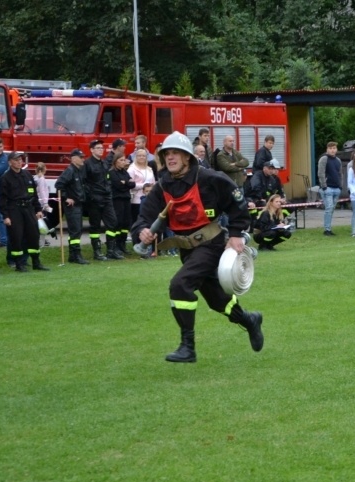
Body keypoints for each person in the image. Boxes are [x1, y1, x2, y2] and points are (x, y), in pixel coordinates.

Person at [131, 131, 263, 363]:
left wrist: (235, 234)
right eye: (167, 154)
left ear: (187, 157)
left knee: (180, 286)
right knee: (218, 301)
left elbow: (237, 203)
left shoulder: (210, 178)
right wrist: (142, 230)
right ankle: (249, 320)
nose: (170, 158)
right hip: (187, 250)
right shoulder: (163, 186)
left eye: (176, 153)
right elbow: (145, 216)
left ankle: (187, 347)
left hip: (211, 246)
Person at [0, 152, 49, 272]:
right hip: (14, 210)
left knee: (33, 236)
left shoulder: (27, 175)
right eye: (16, 160)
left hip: (29, 209)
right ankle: (19, 264)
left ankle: (36, 262)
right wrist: (5, 216)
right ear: (10, 162)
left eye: (20, 159)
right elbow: (2, 199)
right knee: (17, 237)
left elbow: (34, 194)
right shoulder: (5, 178)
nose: (19, 162)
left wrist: (38, 209)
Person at [84, 139, 121, 260]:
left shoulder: (103, 163)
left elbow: (107, 179)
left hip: (106, 198)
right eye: (98, 148)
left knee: (113, 223)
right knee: (95, 226)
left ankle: (111, 250)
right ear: (92, 150)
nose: (101, 150)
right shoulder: (87, 164)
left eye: (102, 148)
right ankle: (97, 252)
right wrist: (90, 196)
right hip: (94, 200)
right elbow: (84, 182)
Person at [55, 149, 89, 264]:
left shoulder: (78, 170)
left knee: (77, 230)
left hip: (79, 204)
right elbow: (59, 185)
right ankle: (76, 255)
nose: (83, 159)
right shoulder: (70, 171)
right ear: (74, 159)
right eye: (81, 157)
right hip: (72, 206)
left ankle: (73, 255)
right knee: (75, 230)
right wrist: (66, 198)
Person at [110, 154, 136, 256]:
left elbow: (132, 184)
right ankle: (116, 245)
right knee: (118, 222)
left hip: (126, 199)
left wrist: (125, 183)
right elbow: (118, 185)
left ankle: (122, 245)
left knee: (126, 223)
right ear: (115, 161)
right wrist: (126, 183)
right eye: (121, 160)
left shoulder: (125, 172)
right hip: (117, 200)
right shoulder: (112, 173)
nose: (123, 162)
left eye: (124, 160)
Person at [317, 141, 341, 236]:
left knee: (332, 209)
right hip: (327, 189)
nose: (332, 150)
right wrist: (324, 186)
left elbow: (340, 174)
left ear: (336, 149)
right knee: (329, 208)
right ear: (327, 149)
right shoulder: (324, 159)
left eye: (334, 148)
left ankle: (329, 228)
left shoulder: (338, 160)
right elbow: (321, 173)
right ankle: (327, 229)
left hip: (336, 188)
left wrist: (340, 186)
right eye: (330, 148)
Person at [127, 148, 155, 223]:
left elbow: (153, 182)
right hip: (136, 200)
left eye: (143, 156)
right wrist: (144, 185)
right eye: (139, 155)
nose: (141, 157)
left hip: (149, 199)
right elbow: (130, 184)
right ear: (136, 157)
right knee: (137, 221)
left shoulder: (149, 169)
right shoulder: (131, 169)